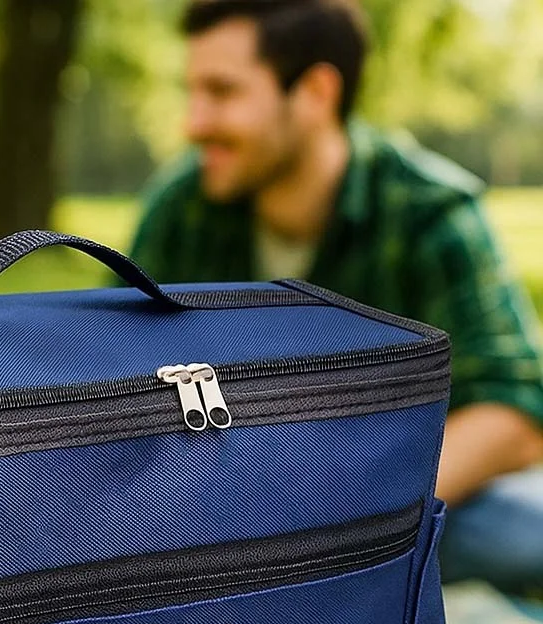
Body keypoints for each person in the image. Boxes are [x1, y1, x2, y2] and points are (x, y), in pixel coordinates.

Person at [125, 0, 543, 592]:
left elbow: (514, 413)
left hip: (391, 511)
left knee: (525, 531)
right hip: (215, 512)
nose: (193, 124)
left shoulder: (429, 214)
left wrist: (343, 514)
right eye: (191, 92)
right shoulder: (180, 212)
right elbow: (110, 386)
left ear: (316, 93)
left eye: (222, 91)